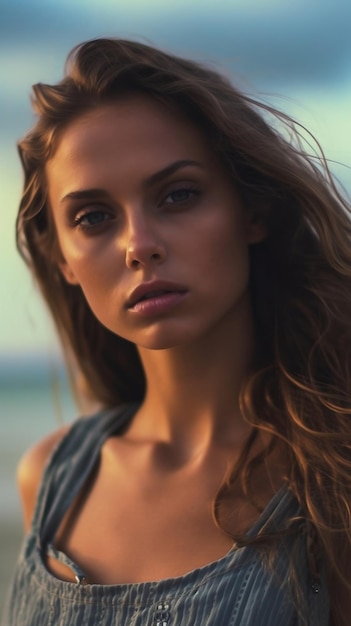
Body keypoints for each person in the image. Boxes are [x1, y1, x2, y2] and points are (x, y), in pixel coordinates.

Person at [3, 37, 351, 626]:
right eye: (93, 217)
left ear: (253, 212)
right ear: (63, 258)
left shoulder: (332, 476)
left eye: (179, 194)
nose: (140, 244)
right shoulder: (49, 478)